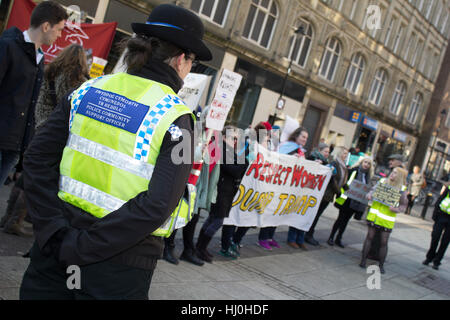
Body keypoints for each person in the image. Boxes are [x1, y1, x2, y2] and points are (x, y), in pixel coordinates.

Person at [19, 4, 212, 300]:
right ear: (182, 60)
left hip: (55, 247)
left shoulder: (88, 89)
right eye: (192, 62)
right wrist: (83, 246)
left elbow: (35, 159)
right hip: (119, 264)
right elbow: (159, 205)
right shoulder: (181, 119)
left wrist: (55, 232)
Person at [1, 44, 89, 237]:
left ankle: (8, 217)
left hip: (38, 126)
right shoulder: (70, 77)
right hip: (53, 131)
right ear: (80, 60)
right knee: (36, 177)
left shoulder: (50, 71)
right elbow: (68, 102)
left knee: (27, 175)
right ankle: (15, 220)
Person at [0, 1, 67, 188]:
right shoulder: (7, 47)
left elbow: (31, 106)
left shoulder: (40, 59)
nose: (60, 36)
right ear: (46, 26)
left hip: (13, 146)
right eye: (59, 30)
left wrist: (23, 153)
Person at [195, 126, 248, 262]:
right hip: (220, 191)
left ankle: (200, 247)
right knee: (217, 220)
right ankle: (200, 248)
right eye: (232, 138)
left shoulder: (230, 151)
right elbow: (235, 170)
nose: (235, 141)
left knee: (213, 219)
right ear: (224, 137)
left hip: (226, 191)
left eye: (236, 138)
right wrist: (243, 162)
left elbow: (241, 166)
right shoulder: (222, 150)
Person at [265, 127, 309, 250]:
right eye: (303, 137)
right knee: (272, 210)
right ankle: (263, 237)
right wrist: (291, 157)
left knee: (279, 212)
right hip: (279, 184)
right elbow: (277, 158)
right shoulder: (287, 146)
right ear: (296, 136)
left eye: (306, 138)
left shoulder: (301, 150)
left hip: (289, 186)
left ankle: (270, 236)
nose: (305, 139)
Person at [360, 167, 408, 274]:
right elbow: (372, 191)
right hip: (374, 216)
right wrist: (369, 194)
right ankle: (363, 260)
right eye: (392, 172)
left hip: (387, 219)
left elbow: (404, 205)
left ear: (399, 176)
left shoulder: (402, 189)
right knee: (369, 237)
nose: (392, 174)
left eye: (395, 173)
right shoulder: (382, 181)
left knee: (384, 242)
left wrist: (396, 209)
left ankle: (381, 266)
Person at [305, 146, 349, 246]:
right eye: (344, 153)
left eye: (347, 153)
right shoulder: (334, 163)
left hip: (330, 194)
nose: (346, 155)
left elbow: (342, 180)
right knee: (315, 214)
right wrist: (338, 191)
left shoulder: (343, 166)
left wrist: (346, 188)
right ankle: (308, 234)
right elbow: (332, 179)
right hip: (325, 193)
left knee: (317, 214)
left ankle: (309, 233)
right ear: (339, 153)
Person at [328, 156, 373, 247]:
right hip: (347, 200)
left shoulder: (368, 176)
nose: (366, 165)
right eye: (365, 162)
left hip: (356, 202)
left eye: (368, 163)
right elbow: (345, 182)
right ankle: (331, 237)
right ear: (361, 162)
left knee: (346, 221)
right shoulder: (353, 171)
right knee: (340, 219)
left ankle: (339, 238)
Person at [368, 153, 405, 260]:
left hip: (387, 213)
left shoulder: (399, 173)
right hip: (378, 211)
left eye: (392, 160)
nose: (390, 162)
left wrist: (397, 208)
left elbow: (402, 195)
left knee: (381, 238)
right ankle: (373, 252)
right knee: (375, 236)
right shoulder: (392, 171)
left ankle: (375, 254)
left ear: (399, 162)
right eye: (390, 160)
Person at [422, 184, 450, 270]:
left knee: (445, 241)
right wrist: (435, 213)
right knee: (435, 236)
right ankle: (429, 257)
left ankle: (437, 261)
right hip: (442, 215)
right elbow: (440, 199)